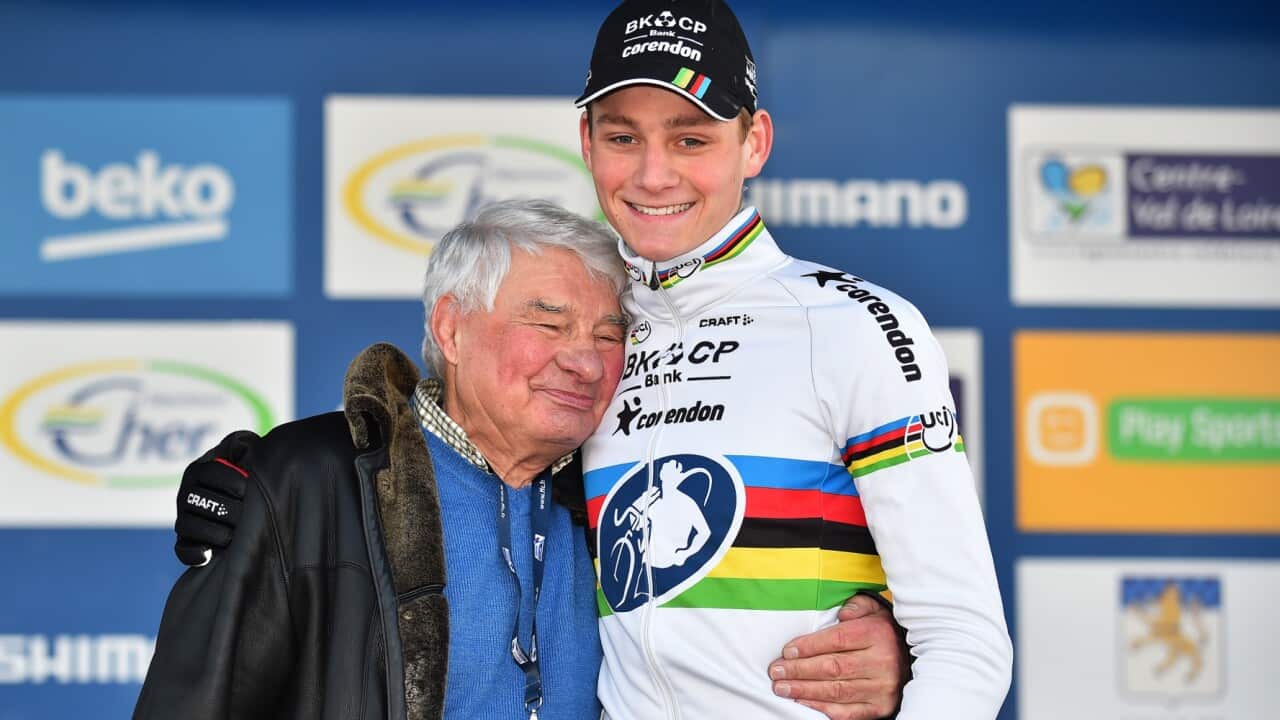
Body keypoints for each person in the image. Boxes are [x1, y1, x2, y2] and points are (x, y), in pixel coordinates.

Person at [140, 199, 910, 720]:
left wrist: (885, 651)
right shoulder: (307, 482)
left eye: (610, 336)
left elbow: (737, 628)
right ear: (451, 327)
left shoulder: (620, 494)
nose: (584, 360)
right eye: (548, 324)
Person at [572, 1, 1012, 718]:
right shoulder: (580, 338)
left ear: (755, 144)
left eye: (691, 140)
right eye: (624, 136)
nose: (653, 174)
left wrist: (895, 651)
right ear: (587, 144)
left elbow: (965, 640)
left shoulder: (853, 325)